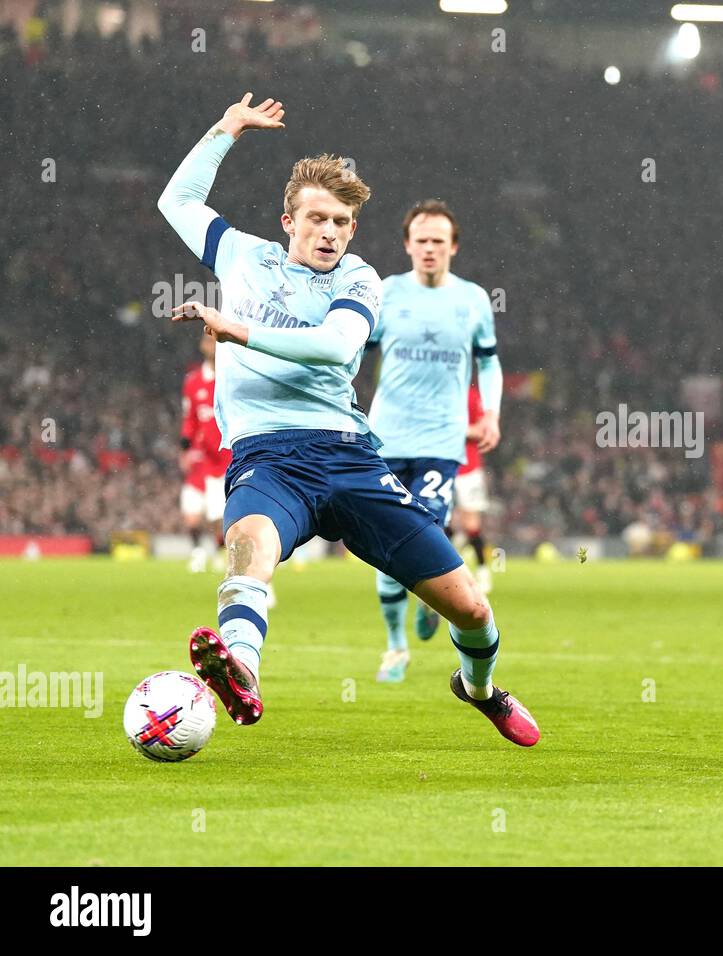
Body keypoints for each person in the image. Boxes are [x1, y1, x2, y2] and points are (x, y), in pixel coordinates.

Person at [157, 93, 537, 746]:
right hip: (269, 458)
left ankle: (478, 688)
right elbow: (177, 203)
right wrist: (224, 130)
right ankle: (242, 670)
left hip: (350, 458)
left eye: (342, 222)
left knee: (470, 608)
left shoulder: (360, 280)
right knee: (249, 547)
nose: (330, 232)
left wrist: (237, 330)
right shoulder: (241, 256)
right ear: (288, 220)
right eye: (318, 219)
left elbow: (335, 347)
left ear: (354, 231)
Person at [366, 200, 501, 683]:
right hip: (384, 437)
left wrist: (490, 413)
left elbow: (488, 361)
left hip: (442, 441)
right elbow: (352, 351)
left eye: (438, 242)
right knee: (384, 540)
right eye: (420, 240)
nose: (429, 249)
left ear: (453, 247)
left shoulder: (473, 299)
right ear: (407, 245)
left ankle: (428, 599)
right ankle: (396, 647)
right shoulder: (384, 292)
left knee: (422, 533)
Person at [179, 332, 230, 573]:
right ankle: (198, 553)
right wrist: (185, 448)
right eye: (208, 339)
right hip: (201, 459)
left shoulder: (231, 378)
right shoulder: (193, 381)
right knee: (191, 514)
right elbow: (189, 419)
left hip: (226, 458)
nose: (212, 344)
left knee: (217, 518)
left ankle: (220, 551)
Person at [453, 382, 496, 595]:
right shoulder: (435, 389)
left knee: (471, 525)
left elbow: (482, 430)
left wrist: (453, 428)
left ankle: (482, 571)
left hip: (468, 469)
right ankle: (446, 575)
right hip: (440, 465)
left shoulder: (471, 394)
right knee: (440, 523)